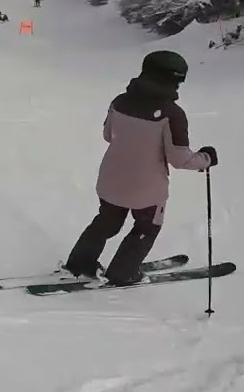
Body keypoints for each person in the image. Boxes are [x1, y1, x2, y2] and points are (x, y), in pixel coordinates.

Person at [63, 50, 217, 286]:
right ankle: (122, 273)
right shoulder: (172, 115)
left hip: (111, 179)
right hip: (147, 189)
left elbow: (108, 135)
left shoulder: (119, 102)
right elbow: (180, 159)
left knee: (106, 222)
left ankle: (80, 263)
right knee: (146, 227)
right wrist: (205, 159)